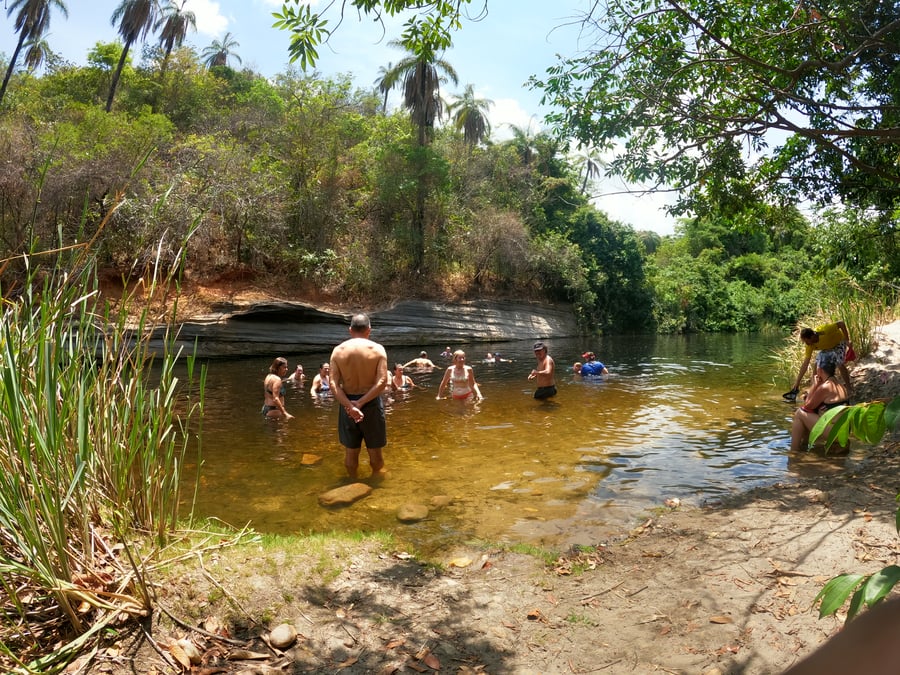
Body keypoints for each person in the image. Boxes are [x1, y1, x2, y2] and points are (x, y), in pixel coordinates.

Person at [329, 313, 389, 480]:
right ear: (369, 330)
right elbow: (383, 381)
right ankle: (377, 483)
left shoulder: (338, 351)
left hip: (347, 403)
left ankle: (352, 481)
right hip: (370, 403)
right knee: (375, 451)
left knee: (351, 450)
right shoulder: (377, 349)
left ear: (350, 330)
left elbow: (333, 384)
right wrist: (360, 403)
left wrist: (350, 406)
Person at [790, 357, 851, 452]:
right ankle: (803, 446)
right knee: (806, 417)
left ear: (820, 370)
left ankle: (794, 450)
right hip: (843, 431)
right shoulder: (839, 383)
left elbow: (806, 406)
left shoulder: (826, 386)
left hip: (835, 433)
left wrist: (814, 385)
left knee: (799, 413)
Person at [785, 320, 852, 400]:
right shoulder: (810, 345)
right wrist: (797, 383)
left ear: (812, 336)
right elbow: (805, 364)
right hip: (826, 348)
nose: (806, 344)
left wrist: (847, 340)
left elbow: (841, 323)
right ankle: (814, 391)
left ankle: (849, 388)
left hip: (838, 343)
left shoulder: (825, 331)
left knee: (839, 363)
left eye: (806, 341)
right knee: (816, 366)